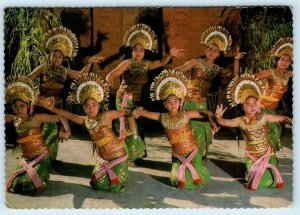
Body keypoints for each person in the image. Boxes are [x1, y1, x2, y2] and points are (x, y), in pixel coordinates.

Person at [39, 73, 134, 192]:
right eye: (87, 106)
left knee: (111, 187)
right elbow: (69, 115)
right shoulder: (85, 120)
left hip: (119, 155)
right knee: (96, 184)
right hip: (104, 158)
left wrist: (131, 130)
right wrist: (53, 109)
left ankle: (120, 172)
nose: (91, 108)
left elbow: (128, 112)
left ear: (99, 105)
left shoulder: (106, 115)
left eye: (94, 105)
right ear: (83, 108)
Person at [106, 23, 184, 163]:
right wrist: (109, 79)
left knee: (138, 126)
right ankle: (126, 155)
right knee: (129, 127)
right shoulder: (127, 63)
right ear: (132, 51)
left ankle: (135, 155)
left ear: (144, 52)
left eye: (141, 50)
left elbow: (160, 62)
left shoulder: (146, 64)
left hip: (136, 100)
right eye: (136, 49)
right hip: (124, 99)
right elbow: (112, 73)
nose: (138, 52)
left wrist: (169, 55)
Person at [27, 27, 103, 162]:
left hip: (55, 107)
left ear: (63, 59)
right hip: (39, 105)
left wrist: (89, 63)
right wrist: (30, 92)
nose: (56, 58)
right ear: (50, 55)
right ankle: (35, 157)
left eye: (60, 56)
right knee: (38, 131)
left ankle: (48, 159)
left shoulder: (64, 70)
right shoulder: (43, 67)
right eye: (54, 55)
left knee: (52, 133)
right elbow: (28, 79)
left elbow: (81, 75)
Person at [174, 26, 245, 160]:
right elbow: (180, 69)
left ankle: (198, 157)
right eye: (210, 49)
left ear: (218, 54)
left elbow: (235, 78)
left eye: (216, 50)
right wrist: (173, 79)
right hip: (189, 101)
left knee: (204, 129)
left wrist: (236, 60)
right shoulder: (195, 62)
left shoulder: (217, 69)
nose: (212, 51)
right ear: (205, 50)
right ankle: (184, 157)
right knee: (186, 129)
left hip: (202, 103)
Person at [133, 69, 211, 190]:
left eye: (175, 101)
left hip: (192, 152)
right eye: (169, 102)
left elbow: (204, 113)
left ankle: (199, 168)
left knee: (193, 181)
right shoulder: (162, 117)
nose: (172, 104)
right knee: (176, 182)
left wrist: (215, 117)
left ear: (181, 102)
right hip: (177, 155)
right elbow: (145, 113)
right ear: (165, 104)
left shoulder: (186, 114)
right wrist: (137, 112)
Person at [215, 74, 292, 190]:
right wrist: (219, 117)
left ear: (258, 105)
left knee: (274, 182)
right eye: (248, 104)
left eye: (254, 104)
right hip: (252, 157)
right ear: (243, 107)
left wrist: (290, 121)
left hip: (267, 154)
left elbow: (280, 118)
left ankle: (259, 171)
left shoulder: (263, 117)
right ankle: (250, 173)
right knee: (259, 183)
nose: (252, 107)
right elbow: (225, 122)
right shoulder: (240, 121)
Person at [5, 75, 70, 194]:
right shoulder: (14, 119)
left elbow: (60, 117)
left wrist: (67, 131)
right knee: (16, 184)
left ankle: (41, 172)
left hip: (41, 157)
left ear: (28, 106)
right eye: (16, 107)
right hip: (26, 159)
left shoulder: (36, 118)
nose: (19, 109)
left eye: (22, 106)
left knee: (29, 185)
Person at [254, 37, 293, 152]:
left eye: (287, 60)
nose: (284, 62)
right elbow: (253, 77)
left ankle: (267, 160)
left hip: (272, 110)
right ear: (277, 61)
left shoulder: (288, 74)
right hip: (261, 108)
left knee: (274, 134)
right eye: (282, 59)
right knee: (265, 135)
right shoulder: (270, 72)